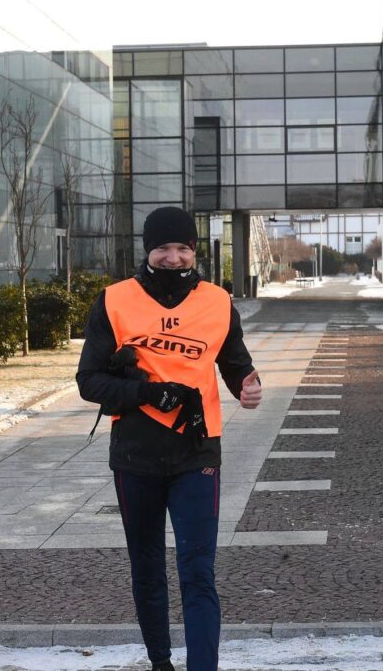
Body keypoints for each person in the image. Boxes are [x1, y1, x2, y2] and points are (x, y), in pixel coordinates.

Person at [76, 206, 262, 671]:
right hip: (135, 454)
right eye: (163, 248)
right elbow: (89, 381)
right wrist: (146, 393)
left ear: (194, 251)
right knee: (147, 568)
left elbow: (235, 362)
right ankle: (160, 662)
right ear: (148, 250)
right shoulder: (114, 300)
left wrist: (248, 385)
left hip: (196, 452)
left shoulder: (217, 301)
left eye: (183, 248)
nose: (173, 257)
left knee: (198, 572)